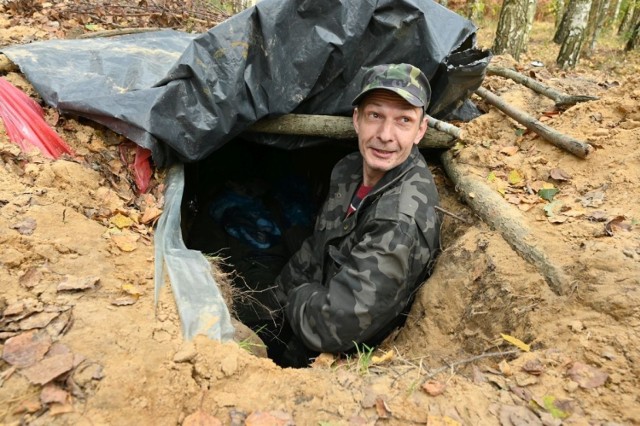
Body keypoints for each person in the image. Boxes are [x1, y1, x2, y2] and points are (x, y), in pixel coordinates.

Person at [273, 63, 441, 366]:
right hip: (309, 305)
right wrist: (271, 303)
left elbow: (334, 327)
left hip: (339, 355)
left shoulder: (398, 222)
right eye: (375, 116)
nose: (385, 135)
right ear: (356, 120)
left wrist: (293, 297)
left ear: (421, 130)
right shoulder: (349, 169)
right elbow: (317, 245)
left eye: (403, 120)